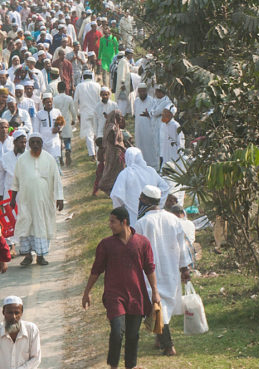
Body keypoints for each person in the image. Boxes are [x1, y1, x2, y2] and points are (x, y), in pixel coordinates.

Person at [82, 207, 158, 369]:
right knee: (117, 331)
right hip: (114, 295)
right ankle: (114, 365)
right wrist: (87, 292)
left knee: (132, 335)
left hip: (137, 295)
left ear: (124, 222)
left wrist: (155, 293)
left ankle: (130, 365)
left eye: (112, 222)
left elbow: (149, 268)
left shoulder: (142, 242)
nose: (110, 225)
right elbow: (96, 270)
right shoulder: (106, 245)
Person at [132, 185, 190, 357]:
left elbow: (137, 250)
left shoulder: (142, 223)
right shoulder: (173, 220)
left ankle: (169, 345)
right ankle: (160, 339)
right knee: (160, 306)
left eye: (141, 198)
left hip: (150, 271)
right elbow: (182, 246)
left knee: (158, 305)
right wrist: (184, 267)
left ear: (146, 201)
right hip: (170, 268)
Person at [11, 136, 64, 267]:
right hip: (26, 200)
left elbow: (56, 179)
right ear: (29, 144)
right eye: (32, 142)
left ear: (42, 144)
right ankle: (28, 256)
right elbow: (15, 181)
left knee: (41, 225)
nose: (35, 145)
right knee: (26, 225)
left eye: (38, 142)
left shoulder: (49, 158)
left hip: (43, 201)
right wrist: (12, 199)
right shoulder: (22, 160)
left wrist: (60, 198)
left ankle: (41, 256)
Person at [0, 296, 41, 369]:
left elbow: (36, 359)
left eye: (17, 313)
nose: (13, 317)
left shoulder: (32, 330)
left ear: (21, 313)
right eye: (10, 313)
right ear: (3, 312)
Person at [108, 147, 169, 226]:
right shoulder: (150, 171)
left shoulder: (126, 173)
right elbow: (165, 188)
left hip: (131, 214)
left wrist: (119, 211)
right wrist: (159, 204)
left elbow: (116, 196)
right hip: (150, 212)